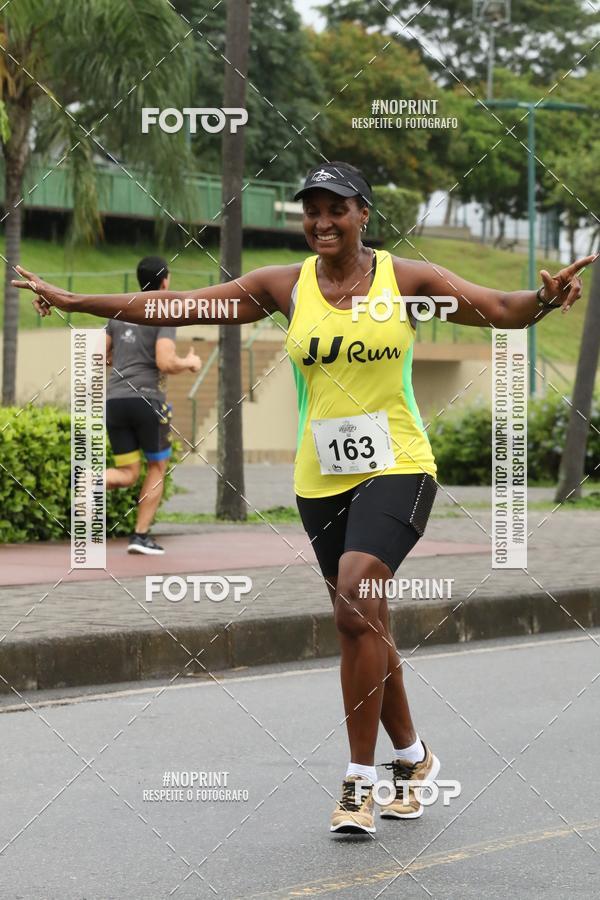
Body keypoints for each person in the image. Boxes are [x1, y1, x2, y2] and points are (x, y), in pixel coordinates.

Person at [14, 162, 594, 834]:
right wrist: (82, 302)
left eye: (336, 209)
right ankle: (413, 757)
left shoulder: (406, 281)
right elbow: (182, 303)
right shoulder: (284, 287)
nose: (322, 221)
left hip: (398, 463)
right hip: (318, 478)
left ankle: (358, 781)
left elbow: (500, 309)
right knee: (364, 620)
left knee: (355, 595)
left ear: (363, 215)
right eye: (311, 210)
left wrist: (545, 298)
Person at [105, 256, 201, 555]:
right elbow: (164, 361)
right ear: (164, 282)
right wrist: (189, 362)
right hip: (148, 400)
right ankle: (140, 536)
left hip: (115, 401)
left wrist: (120, 359)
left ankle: (89, 481)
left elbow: (101, 355)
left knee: (128, 473)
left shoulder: (119, 312)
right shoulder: (164, 314)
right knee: (157, 466)